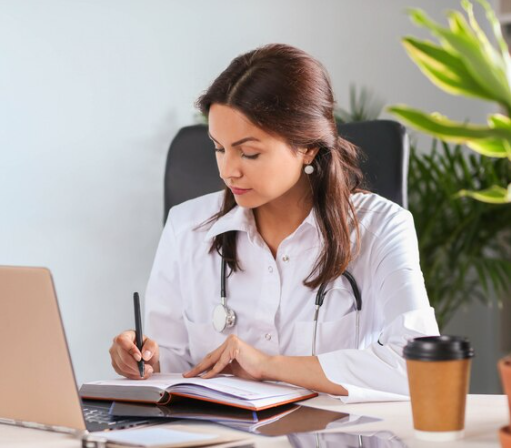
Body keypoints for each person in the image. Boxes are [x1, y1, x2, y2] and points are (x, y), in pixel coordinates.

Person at [108, 43, 439, 403]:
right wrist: (146, 360)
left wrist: (269, 365)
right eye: (219, 148)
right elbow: (174, 368)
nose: (227, 170)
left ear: (308, 147)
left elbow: (420, 366)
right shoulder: (185, 227)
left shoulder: (381, 227)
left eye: (249, 152)